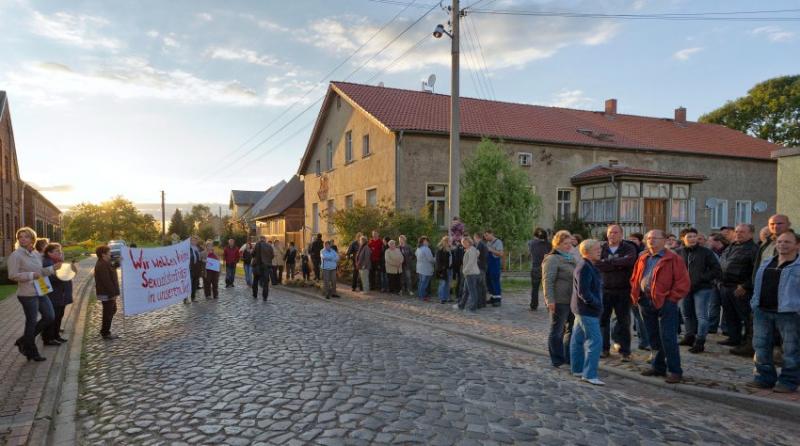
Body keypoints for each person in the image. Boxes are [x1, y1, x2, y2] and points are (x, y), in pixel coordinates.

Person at [630, 230, 691, 383]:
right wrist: (636, 294)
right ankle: (658, 366)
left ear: (664, 240)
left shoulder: (673, 259)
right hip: (645, 301)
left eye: (655, 238)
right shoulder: (643, 257)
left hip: (666, 302)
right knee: (653, 336)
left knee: (668, 337)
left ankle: (675, 370)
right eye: (649, 238)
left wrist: (671, 299)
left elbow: (683, 283)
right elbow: (635, 278)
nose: (651, 241)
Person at [731, 215, 792, 357]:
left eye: (779, 223)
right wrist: (752, 286)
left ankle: (782, 357)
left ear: (788, 224)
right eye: (772, 224)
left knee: (785, 330)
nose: (775, 226)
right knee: (759, 327)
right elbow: (757, 267)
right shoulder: (767, 243)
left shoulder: (793, 241)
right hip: (761, 292)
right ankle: (759, 357)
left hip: (783, 293)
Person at [747, 230, 800, 393]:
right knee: (761, 345)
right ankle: (764, 378)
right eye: (780, 242)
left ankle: (788, 381)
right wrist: (754, 303)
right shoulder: (767, 262)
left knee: (791, 348)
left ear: (797, 245)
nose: (782, 245)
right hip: (762, 310)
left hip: (789, 312)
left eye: (787, 242)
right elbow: (757, 284)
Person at [9, 227, 58, 361]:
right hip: (27, 294)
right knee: (31, 322)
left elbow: (40, 272)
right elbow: (12, 275)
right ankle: (31, 351)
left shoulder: (36, 254)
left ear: (32, 239)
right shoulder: (16, 255)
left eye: (26, 237)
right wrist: (31, 275)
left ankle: (24, 340)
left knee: (49, 316)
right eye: (20, 237)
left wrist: (52, 268)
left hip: (40, 290)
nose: (23, 239)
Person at [675, 228, 722, 353]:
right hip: (684, 288)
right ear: (683, 238)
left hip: (702, 288)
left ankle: (700, 341)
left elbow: (716, 269)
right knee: (686, 313)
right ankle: (689, 336)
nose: (692, 239)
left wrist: (702, 278)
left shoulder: (706, 252)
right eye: (689, 236)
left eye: (694, 236)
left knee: (701, 315)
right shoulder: (677, 253)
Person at [596, 224, 638, 361]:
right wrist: (618, 263)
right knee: (603, 321)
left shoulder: (629, 248)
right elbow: (597, 263)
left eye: (615, 232)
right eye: (610, 232)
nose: (612, 235)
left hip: (623, 291)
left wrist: (608, 262)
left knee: (624, 321)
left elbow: (629, 261)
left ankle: (625, 351)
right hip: (605, 290)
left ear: (621, 234)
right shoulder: (601, 248)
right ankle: (604, 349)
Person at [718, 224, 759, 350]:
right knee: (730, 315)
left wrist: (746, 286)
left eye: (742, 232)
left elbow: (755, 270)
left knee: (745, 316)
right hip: (725, 286)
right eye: (737, 231)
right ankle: (734, 338)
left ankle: (747, 343)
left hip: (740, 288)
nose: (738, 234)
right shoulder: (731, 246)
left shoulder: (753, 249)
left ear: (751, 234)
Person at [571, 239, 605, 386]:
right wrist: (596, 303)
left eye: (599, 249)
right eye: (596, 249)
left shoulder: (588, 265)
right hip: (587, 310)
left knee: (577, 339)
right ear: (587, 252)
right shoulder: (584, 266)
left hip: (582, 309)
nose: (600, 251)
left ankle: (577, 369)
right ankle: (589, 374)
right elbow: (583, 292)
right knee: (596, 341)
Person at [543, 230, 577, 368]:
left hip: (572, 300)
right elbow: (547, 281)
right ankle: (557, 358)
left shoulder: (571, 258)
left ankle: (568, 356)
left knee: (572, 330)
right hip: (559, 300)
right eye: (565, 243)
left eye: (570, 243)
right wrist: (549, 300)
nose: (568, 246)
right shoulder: (552, 259)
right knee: (557, 330)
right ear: (557, 244)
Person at [42, 243, 75, 346]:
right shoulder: (47, 263)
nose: (60, 253)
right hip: (53, 296)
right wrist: (65, 273)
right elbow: (50, 278)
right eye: (57, 251)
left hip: (61, 295)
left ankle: (56, 336)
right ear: (49, 253)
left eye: (60, 251)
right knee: (54, 317)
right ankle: (49, 338)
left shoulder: (57, 262)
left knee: (59, 316)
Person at [94, 245, 120, 340]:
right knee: (108, 312)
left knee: (112, 310)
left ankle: (104, 330)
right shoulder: (101, 265)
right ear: (103, 254)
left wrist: (117, 263)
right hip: (107, 293)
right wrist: (112, 294)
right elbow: (106, 281)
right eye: (109, 252)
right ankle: (106, 333)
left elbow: (112, 269)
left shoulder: (105, 262)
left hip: (108, 292)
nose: (110, 254)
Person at [528, 228, 549, 311]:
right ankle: (548, 305)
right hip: (546, 267)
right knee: (547, 288)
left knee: (535, 288)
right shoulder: (549, 244)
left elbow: (532, 242)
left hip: (535, 267)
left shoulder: (531, 243)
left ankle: (534, 304)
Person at [459, 237, 481, 313]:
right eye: (463, 242)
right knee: (466, 290)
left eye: (465, 242)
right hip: (469, 273)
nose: (464, 244)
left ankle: (472, 308)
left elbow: (470, 263)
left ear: (469, 242)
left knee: (472, 291)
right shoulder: (470, 249)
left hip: (471, 273)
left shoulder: (471, 250)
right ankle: (461, 305)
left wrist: (464, 271)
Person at [484, 230, 504, 307]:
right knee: (489, 282)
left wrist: (491, 250)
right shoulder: (488, 242)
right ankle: (493, 298)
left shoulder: (498, 242)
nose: (486, 237)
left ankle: (498, 300)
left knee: (495, 281)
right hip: (488, 265)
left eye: (487, 235)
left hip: (495, 265)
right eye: (485, 236)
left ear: (491, 234)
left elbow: (501, 254)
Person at [251, 235, 274, 301]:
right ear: (265, 239)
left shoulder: (257, 245)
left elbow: (252, 254)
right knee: (266, 282)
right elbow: (272, 256)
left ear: (260, 239)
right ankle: (265, 296)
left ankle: (255, 294)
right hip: (266, 266)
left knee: (255, 280)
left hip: (258, 266)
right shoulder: (269, 246)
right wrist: (267, 260)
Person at [415, 236, 435, 301]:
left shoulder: (418, 248)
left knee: (421, 282)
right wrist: (437, 259)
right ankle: (422, 296)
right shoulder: (426, 249)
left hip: (419, 268)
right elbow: (430, 259)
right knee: (424, 283)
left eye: (427, 241)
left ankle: (420, 295)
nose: (427, 242)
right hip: (426, 269)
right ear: (423, 242)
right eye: (426, 241)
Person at [473, 232, 489, 308]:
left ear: (476, 237)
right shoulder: (484, 244)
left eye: (474, 238)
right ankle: (483, 303)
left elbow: (477, 255)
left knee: (479, 285)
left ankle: (479, 303)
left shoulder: (480, 245)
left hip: (480, 266)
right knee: (482, 285)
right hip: (484, 266)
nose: (474, 240)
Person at [435, 236, 452, 304]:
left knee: (448, 284)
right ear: (445, 242)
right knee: (442, 284)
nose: (450, 243)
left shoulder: (449, 249)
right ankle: (441, 298)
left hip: (449, 269)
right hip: (443, 270)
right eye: (448, 241)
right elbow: (438, 261)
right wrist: (441, 269)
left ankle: (447, 298)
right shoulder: (440, 250)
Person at [188, 235, 202, 302]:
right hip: (190, 268)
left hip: (197, 268)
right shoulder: (187, 248)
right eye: (193, 240)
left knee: (194, 284)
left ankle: (193, 297)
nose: (194, 241)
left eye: (195, 240)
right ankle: (186, 298)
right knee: (188, 284)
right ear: (190, 241)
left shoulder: (198, 248)